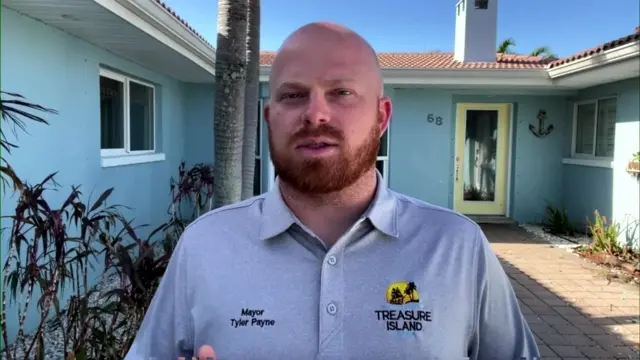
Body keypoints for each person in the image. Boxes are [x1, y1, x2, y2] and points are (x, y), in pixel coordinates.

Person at [124, 22, 540, 360]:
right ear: (270, 118)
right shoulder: (206, 245)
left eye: (341, 92)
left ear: (382, 116)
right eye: (293, 95)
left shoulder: (456, 247)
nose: (315, 113)